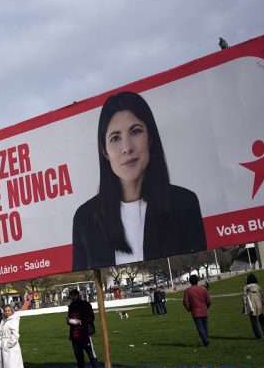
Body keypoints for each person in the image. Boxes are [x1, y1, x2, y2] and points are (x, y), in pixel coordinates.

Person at [72, 91, 206, 271]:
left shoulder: (184, 203)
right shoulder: (85, 218)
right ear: (105, 151)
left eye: (135, 131)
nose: (127, 148)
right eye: (115, 138)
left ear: (150, 137)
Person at [67, 289, 99, 368]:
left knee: (91, 354)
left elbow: (91, 317)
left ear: (78, 295)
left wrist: (80, 321)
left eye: (74, 295)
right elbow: (70, 318)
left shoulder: (85, 304)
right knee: (79, 357)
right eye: (71, 295)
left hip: (85, 333)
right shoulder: (71, 306)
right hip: (75, 335)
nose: (73, 297)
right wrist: (69, 321)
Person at [183, 274, 211, 347]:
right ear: (197, 281)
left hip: (195, 311)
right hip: (204, 310)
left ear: (190, 282)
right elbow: (209, 300)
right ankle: (206, 340)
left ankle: (205, 341)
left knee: (200, 328)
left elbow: (185, 302)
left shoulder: (187, 291)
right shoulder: (203, 289)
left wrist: (189, 309)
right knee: (205, 327)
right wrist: (206, 307)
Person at [243, 273, 264, 340]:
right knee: (262, 320)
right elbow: (262, 296)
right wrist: (263, 304)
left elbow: (244, 297)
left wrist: (244, 305)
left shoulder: (246, 287)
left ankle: (258, 336)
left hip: (251, 306)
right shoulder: (258, 286)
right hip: (259, 305)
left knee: (254, 322)